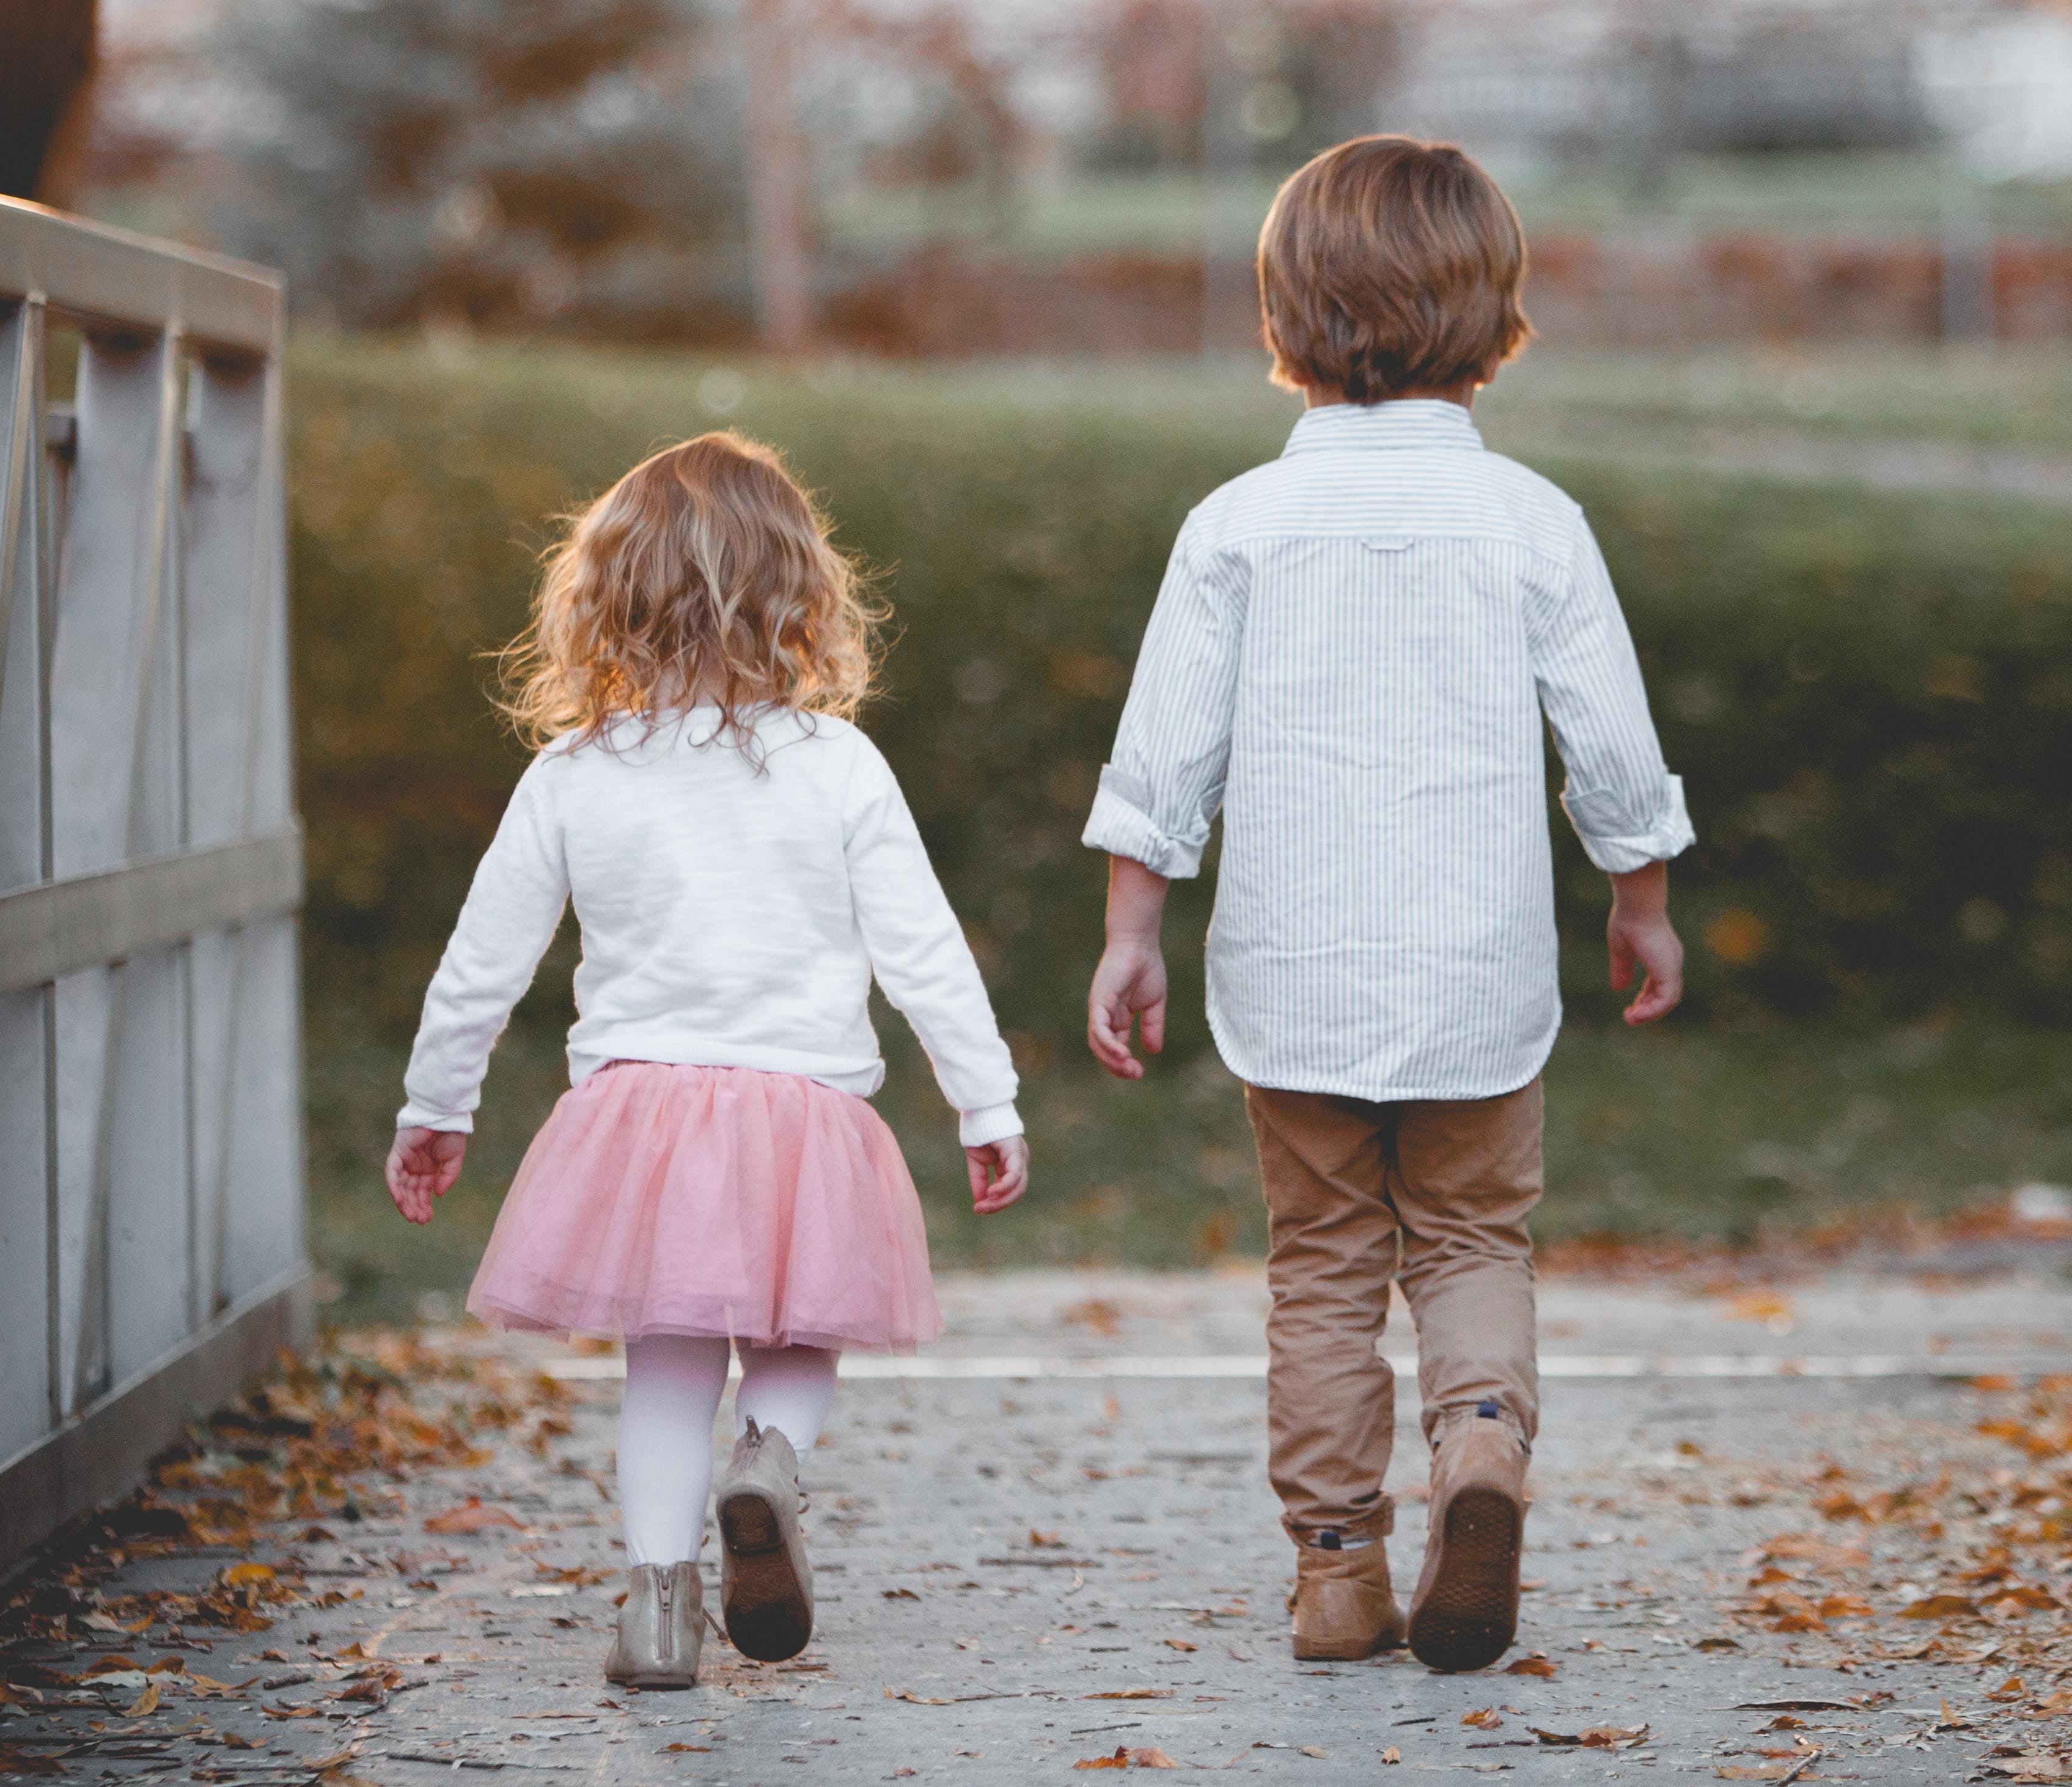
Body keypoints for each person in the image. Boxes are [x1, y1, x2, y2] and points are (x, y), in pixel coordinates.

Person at [1082, 136, 1692, 1672]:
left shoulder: (1234, 525)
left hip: (1294, 981)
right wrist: (1642, 900)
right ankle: (1479, 1444)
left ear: (1285, 313)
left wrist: (1131, 931)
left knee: (1324, 1265)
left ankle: (1337, 1571)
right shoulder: (1530, 522)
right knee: (1475, 1238)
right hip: (1476, 979)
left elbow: (1162, 755)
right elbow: (1610, 746)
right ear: (1492, 317)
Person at [386, 431, 1029, 1690]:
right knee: (800, 1335)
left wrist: (435, 1101)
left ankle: (656, 1615)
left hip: (640, 1122)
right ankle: (770, 1463)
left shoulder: (572, 775)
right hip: (805, 1112)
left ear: (603, 599)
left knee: (664, 1364)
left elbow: (483, 959)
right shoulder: (838, 764)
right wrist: (983, 1097)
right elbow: (923, 953)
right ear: (800, 592)